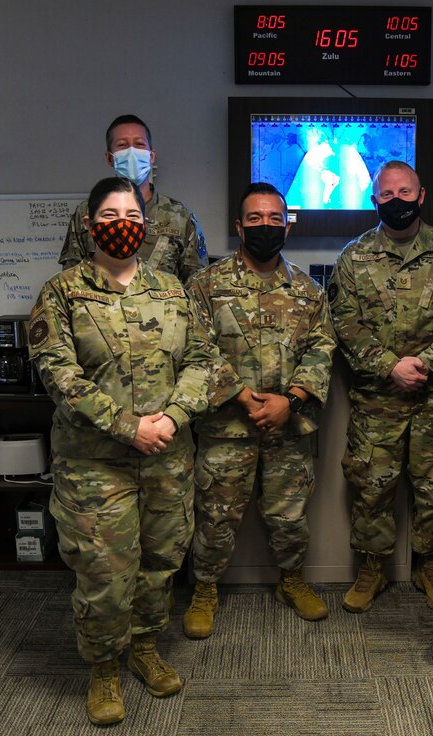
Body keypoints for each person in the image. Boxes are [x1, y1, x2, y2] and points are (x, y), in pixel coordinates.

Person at [28, 177, 239, 726]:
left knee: (160, 563)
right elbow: (59, 376)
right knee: (104, 574)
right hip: (94, 464)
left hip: (167, 457)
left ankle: (145, 647)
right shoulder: (62, 292)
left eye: (131, 215)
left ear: (145, 226)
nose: (121, 224)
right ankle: (104, 668)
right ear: (89, 224)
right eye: (109, 215)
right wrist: (128, 427)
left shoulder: (173, 290)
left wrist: (172, 417)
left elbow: (203, 361)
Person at [182, 182, 337, 638]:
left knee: (289, 514)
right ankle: (204, 589)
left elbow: (322, 349)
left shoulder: (308, 290)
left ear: (286, 226)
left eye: (274, 218)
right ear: (239, 226)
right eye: (255, 218)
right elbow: (195, 348)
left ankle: (291, 581)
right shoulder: (206, 286)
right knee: (216, 515)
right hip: (226, 426)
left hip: (288, 426)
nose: (265, 226)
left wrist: (291, 400)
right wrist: (241, 395)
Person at [329, 160, 433, 614]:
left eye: (405, 192)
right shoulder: (354, 257)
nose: (397, 201)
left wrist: (426, 362)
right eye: (387, 194)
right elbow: (345, 324)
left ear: (421, 196)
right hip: (377, 399)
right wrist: (390, 366)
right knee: (371, 486)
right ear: (374, 200)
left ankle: (431, 565)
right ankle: (373, 567)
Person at [58, 114, 208, 281]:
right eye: (122, 145)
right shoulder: (87, 212)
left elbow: (196, 284)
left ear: (151, 156)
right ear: (110, 158)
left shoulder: (180, 216)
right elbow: (70, 279)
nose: (131, 152)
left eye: (139, 144)